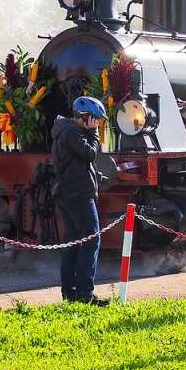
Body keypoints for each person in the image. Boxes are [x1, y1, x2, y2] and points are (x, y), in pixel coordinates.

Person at [52, 96, 108, 305]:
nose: (97, 124)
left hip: (69, 191)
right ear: (85, 118)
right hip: (78, 193)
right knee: (91, 239)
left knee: (74, 241)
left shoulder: (65, 130)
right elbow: (90, 154)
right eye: (95, 120)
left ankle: (70, 292)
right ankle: (85, 293)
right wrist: (93, 133)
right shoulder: (72, 132)